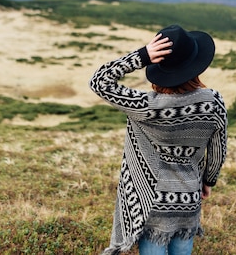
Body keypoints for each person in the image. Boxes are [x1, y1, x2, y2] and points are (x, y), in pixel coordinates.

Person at [89, 24, 228, 255]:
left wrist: (142, 55)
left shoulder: (146, 106)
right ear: (196, 65)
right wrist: (208, 182)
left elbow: (99, 82)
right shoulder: (213, 103)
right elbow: (217, 151)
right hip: (189, 197)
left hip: (151, 201)